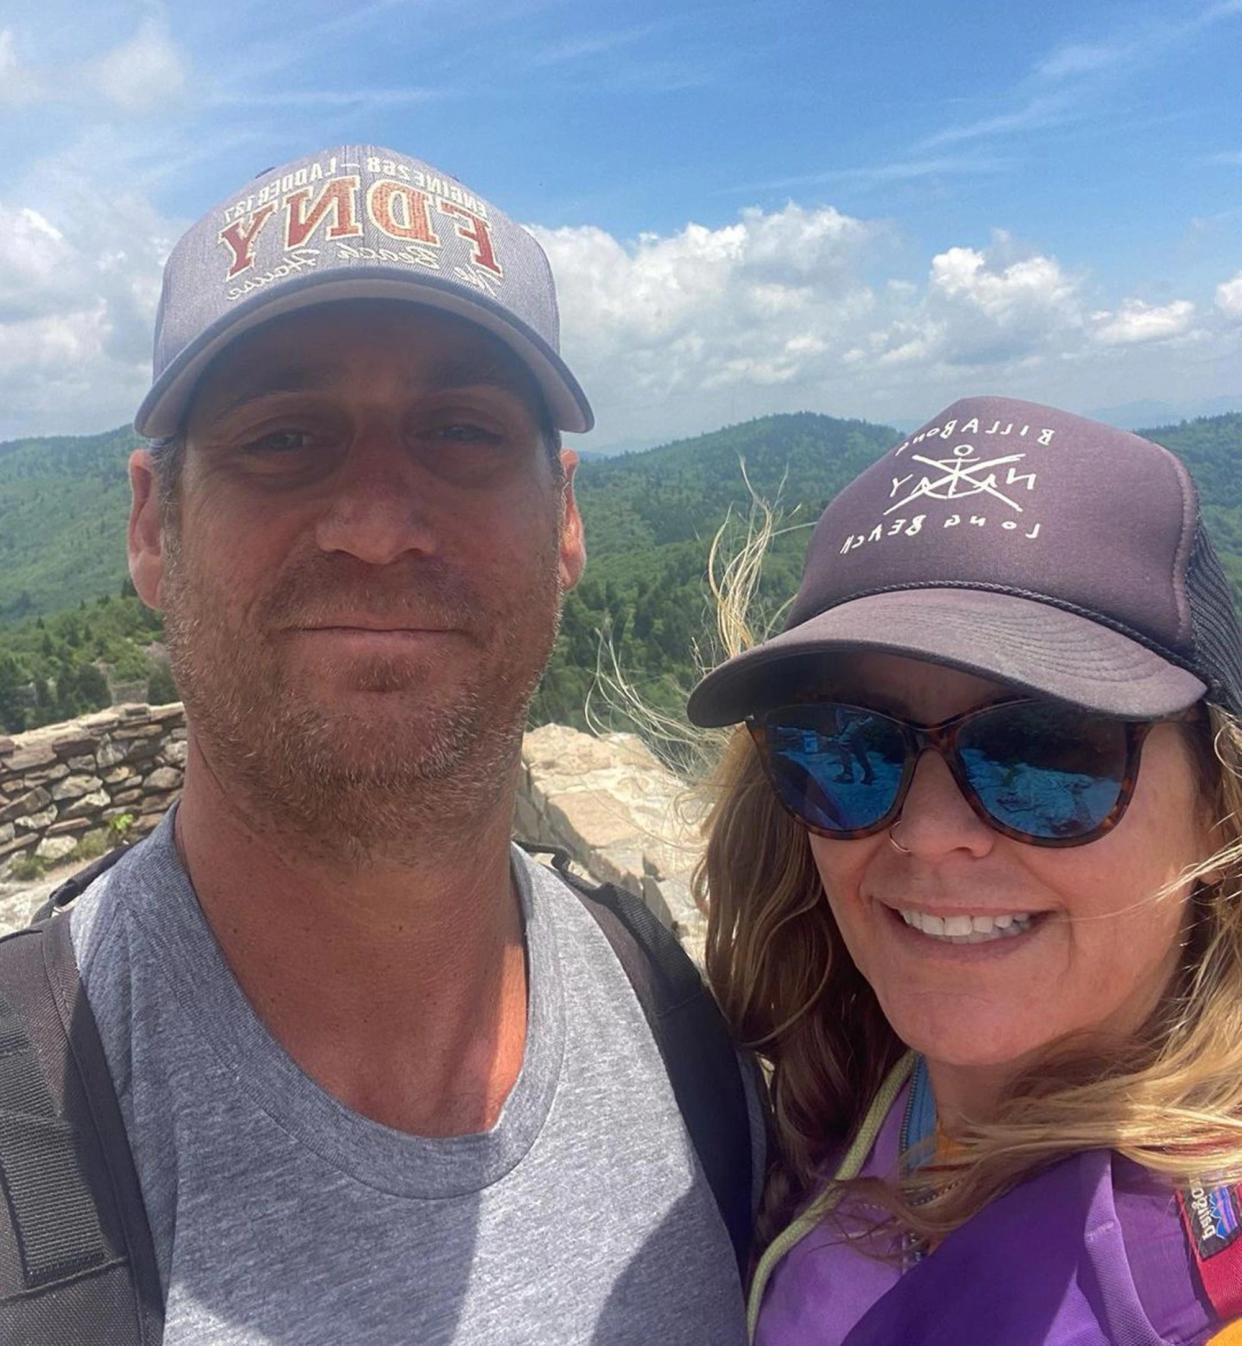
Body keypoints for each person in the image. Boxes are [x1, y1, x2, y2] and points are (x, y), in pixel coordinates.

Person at [15, 146, 760, 1344]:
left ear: (565, 518)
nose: (374, 526)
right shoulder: (21, 1131)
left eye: (460, 429)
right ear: (154, 525)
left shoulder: (692, 1040)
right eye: (286, 436)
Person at [687, 396, 1242, 1346]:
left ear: (1216, 801)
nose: (929, 833)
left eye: (1044, 748)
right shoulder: (840, 1083)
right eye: (844, 744)